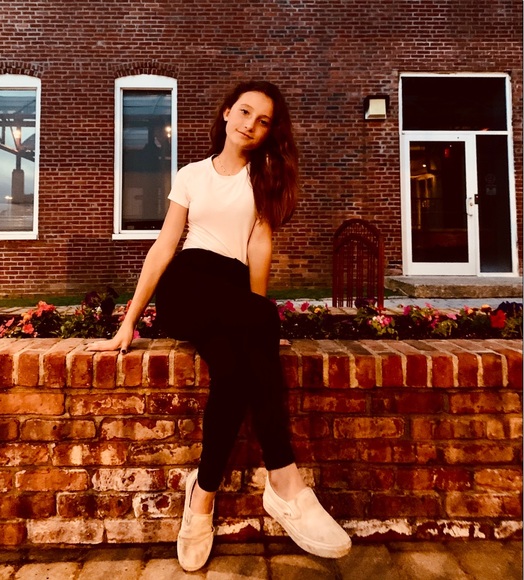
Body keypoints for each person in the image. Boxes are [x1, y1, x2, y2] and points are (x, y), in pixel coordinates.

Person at [88, 80, 352, 571]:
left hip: (231, 290)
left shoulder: (264, 176)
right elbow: (165, 246)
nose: (250, 124)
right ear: (227, 112)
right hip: (188, 282)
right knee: (256, 319)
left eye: (263, 121)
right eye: (245, 112)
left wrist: (256, 315)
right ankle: (285, 479)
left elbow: (258, 244)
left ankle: (202, 495)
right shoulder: (191, 174)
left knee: (232, 373)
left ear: (269, 132)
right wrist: (129, 323)